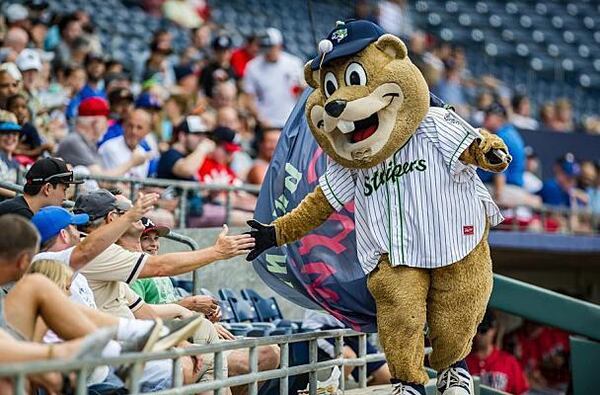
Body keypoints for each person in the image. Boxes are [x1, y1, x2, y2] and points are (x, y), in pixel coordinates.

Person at [57, 96, 148, 176]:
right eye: (106, 120)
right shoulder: (74, 141)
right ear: (95, 123)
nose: (108, 125)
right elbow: (102, 179)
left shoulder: (89, 143)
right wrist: (132, 162)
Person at [477, 102, 541, 209]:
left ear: (499, 118)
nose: (485, 118)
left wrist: (498, 197)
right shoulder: (510, 132)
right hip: (514, 188)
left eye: (488, 116)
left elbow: (500, 171)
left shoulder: (501, 137)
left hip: (505, 188)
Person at [302, 310, 391, 386]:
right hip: (320, 328)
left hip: (350, 328)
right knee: (348, 357)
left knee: (387, 376)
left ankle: (356, 391)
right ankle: (335, 390)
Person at [243, 27, 304, 127]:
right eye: (264, 47)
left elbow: (302, 89)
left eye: (270, 47)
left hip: (290, 120)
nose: (267, 52)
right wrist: (261, 119)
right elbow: (249, 98)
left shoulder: (294, 63)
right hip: (266, 121)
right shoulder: (252, 66)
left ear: (279, 46)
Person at [466, 311, 529, 394]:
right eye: (476, 330)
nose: (478, 335)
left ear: (493, 330)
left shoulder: (509, 362)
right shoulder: (463, 360)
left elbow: (522, 392)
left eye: (483, 330)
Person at [0, 157, 83, 218]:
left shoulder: (20, 209)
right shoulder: (21, 215)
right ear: (47, 188)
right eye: (64, 190)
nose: (65, 197)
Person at [99, 108, 154, 179]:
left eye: (139, 127)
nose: (134, 131)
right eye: (130, 126)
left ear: (147, 131)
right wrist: (132, 162)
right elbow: (111, 182)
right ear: (124, 126)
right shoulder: (110, 147)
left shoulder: (142, 152)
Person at [158, 115, 215, 181]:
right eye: (197, 134)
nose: (202, 139)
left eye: (204, 135)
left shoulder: (190, 156)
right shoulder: (170, 154)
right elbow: (186, 170)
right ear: (182, 136)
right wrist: (202, 149)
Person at [6, 93, 53, 165]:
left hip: (28, 162)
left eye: (23, 107)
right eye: (15, 107)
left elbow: (37, 151)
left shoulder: (30, 128)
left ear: (27, 110)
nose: (20, 110)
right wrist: (24, 148)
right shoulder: (5, 127)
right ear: (8, 110)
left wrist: (20, 150)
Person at [200, 34, 236, 98]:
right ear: (214, 51)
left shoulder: (233, 70)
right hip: (210, 104)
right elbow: (201, 91)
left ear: (230, 52)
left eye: (225, 51)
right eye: (219, 51)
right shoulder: (207, 70)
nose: (222, 54)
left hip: (228, 104)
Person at [0, 112, 22, 199]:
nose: (10, 137)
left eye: (14, 133)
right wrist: (19, 196)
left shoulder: (16, 163)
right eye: (5, 133)